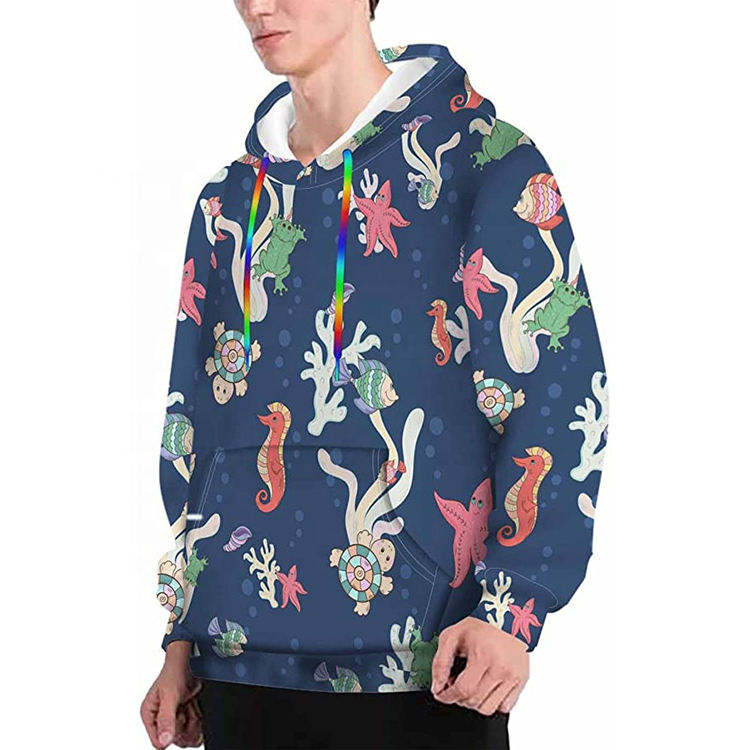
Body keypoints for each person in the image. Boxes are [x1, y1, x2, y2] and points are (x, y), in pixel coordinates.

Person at [140, 1, 608, 747]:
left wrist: (514, 609)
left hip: (429, 665)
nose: (257, 5)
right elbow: (192, 420)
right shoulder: (226, 203)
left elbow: (556, 396)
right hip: (239, 661)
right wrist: (182, 636)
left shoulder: (485, 164)